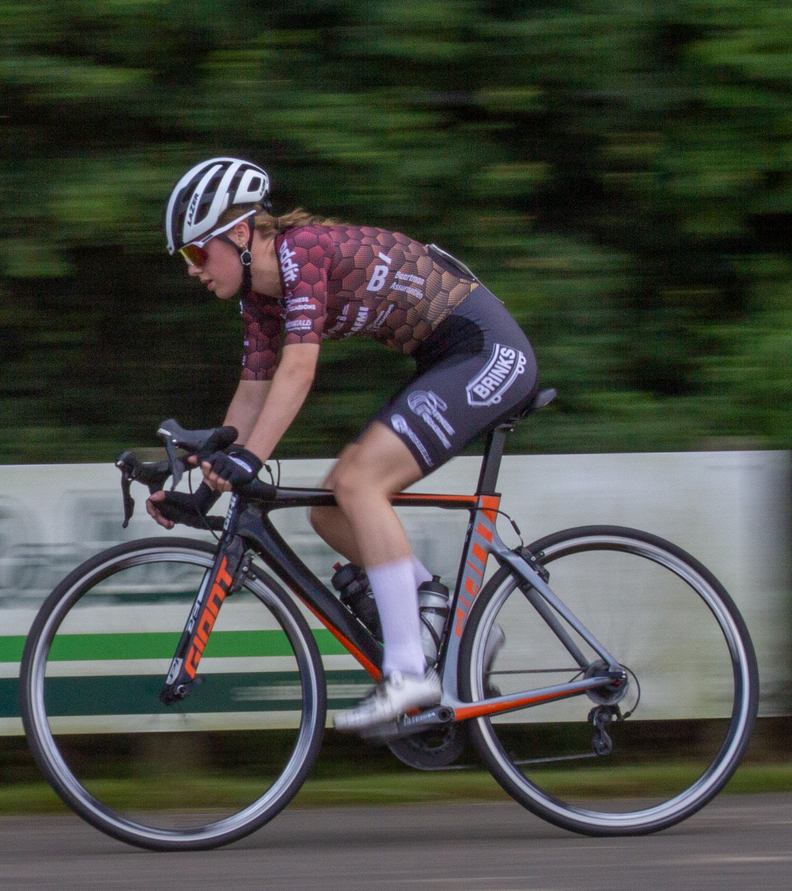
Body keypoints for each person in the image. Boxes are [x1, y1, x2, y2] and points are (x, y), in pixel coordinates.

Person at [158, 156, 536, 732]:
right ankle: (441, 616)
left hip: (487, 352)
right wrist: (203, 480)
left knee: (360, 483)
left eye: (194, 252)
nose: (191, 269)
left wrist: (248, 460)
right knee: (329, 510)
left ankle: (409, 674)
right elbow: (252, 396)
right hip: (447, 358)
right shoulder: (259, 299)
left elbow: (298, 370)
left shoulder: (298, 252)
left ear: (238, 234)